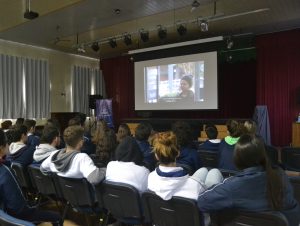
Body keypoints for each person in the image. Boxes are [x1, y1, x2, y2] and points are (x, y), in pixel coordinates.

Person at [197, 134, 300, 226]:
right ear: (263, 155)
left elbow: (202, 202)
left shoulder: (232, 186)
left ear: (237, 158)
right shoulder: (281, 176)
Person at [0, 129, 62, 226]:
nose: (9, 144)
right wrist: (34, 205)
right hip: (14, 217)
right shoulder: (5, 172)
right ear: (1, 148)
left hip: (5, 215)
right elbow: (20, 209)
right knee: (57, 217)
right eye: (6, 142)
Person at [40, 125, 106, 185]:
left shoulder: (54, 155)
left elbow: (42, 168)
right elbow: (94, 179)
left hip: (62, 197)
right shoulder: (81, 158)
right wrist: (106, 169)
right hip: (81, 197)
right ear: (80, 142)